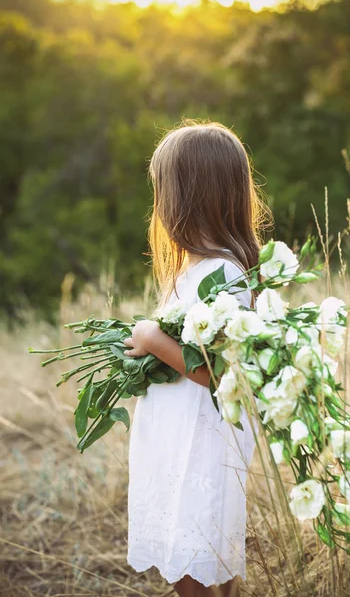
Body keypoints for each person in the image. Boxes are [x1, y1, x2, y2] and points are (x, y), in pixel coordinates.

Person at [123, 120, 271, 597]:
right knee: (200, 552)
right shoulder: (198, 267)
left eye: (163, 191)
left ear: (188, 197)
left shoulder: (224, 272)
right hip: (179, 437)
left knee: (194, 553)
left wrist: (149, 335)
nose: (160, 205)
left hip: (199, 444)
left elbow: (217, 371)